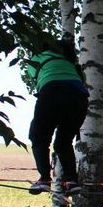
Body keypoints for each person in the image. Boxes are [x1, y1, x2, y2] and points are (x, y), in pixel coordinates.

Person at [26, 37, 89, 196]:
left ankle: (44, 179)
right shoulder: (70, 62)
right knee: (63, 142)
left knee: (39, 136)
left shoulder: (37, 58)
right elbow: (83, 80)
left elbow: (33, 75)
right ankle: (72, 181)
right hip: (79, 98)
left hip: (51, 92)